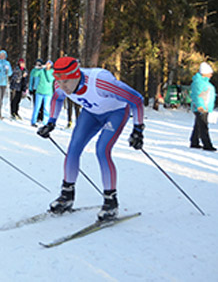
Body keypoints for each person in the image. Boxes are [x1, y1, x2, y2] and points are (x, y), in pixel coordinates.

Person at [37, 56, 145, 221]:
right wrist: (50, 122)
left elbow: (136, 99)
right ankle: (66, 196)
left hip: (115, 113)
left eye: (66, 81)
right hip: (91, 113)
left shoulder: (101, 82)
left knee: (102, 150)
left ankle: (111, 202)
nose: (62, 86)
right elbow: (56, 99)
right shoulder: (60, 84)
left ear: (76, 75)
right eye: (58, 80)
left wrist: (138, 129)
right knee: (73, 149)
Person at [190, 62, 216, 152]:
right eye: (209, 73)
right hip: (201, 107)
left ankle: (194, 142)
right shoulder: (199, 82)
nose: (211, 74)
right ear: (204, 73)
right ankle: (207, 144)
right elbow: (196, 95)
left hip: (204, 106)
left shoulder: (203, 82)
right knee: (203, 126)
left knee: (198, 125)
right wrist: (200, 106)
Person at [30, 60, 54, 127]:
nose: (47, 65)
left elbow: (50, 79)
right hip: (39, 92)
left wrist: (47, 70)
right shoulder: (41, 70)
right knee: (37, 107)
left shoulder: (52, 72)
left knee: (46, 108)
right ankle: (33, 121)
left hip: (48, 93)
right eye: (47, 63)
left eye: (49, 64)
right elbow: (34, 75)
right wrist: (37, 69)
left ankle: (45, 123)